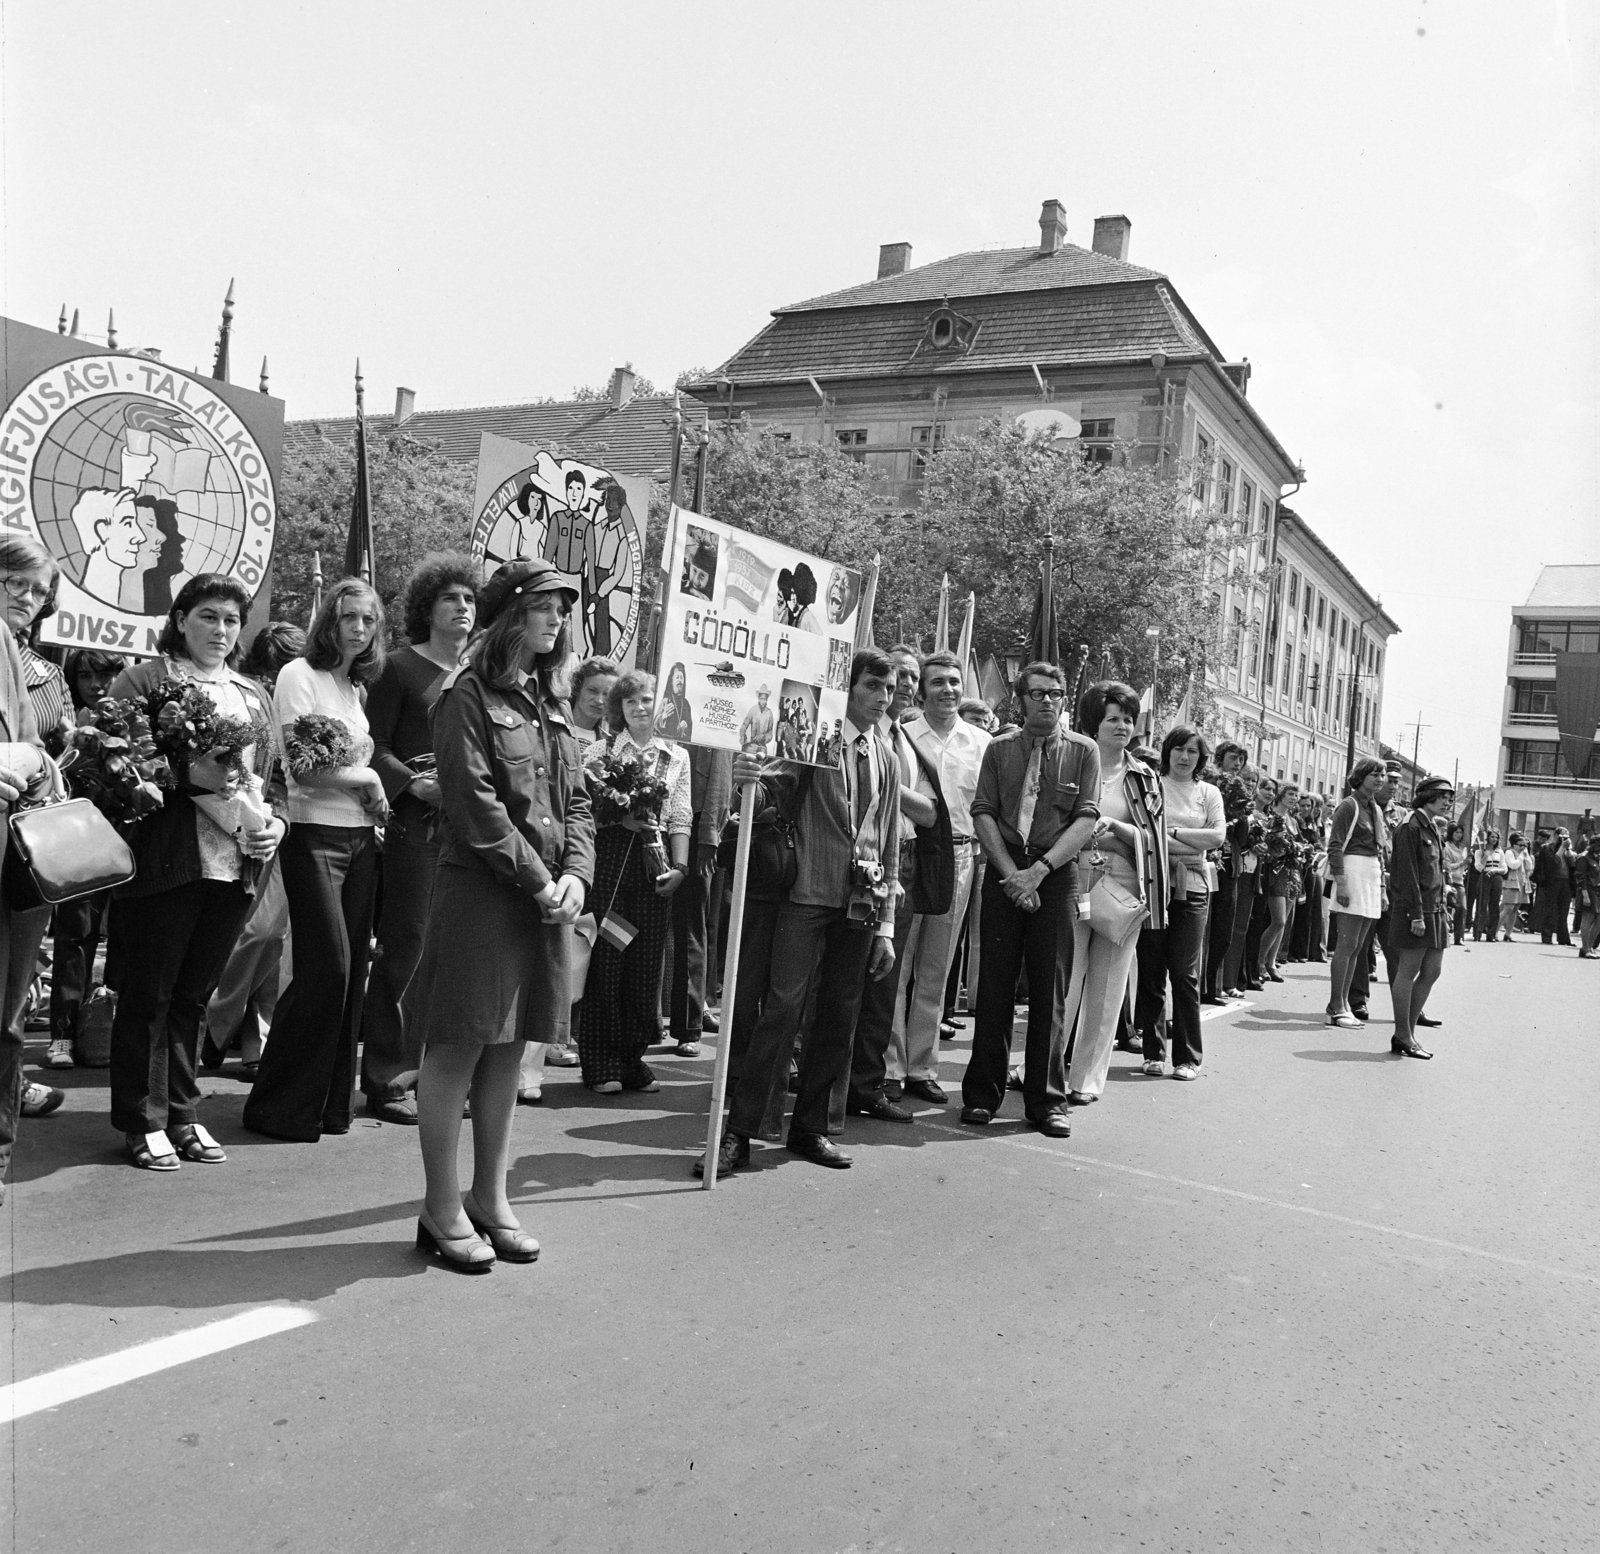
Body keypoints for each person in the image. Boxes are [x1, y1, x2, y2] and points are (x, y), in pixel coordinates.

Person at [409, 558, 592, 1270]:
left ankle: (491, 1196)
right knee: (457, 1047)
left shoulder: (550, 701)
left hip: (540, 901)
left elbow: (577, 802)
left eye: (561, 610)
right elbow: (474, 804)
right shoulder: (466, 696)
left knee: (511, 1051)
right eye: (545, 607)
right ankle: (441, 1205)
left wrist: (576, 874)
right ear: (511, 614)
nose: (557, 620)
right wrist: (543, 879)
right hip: (486, 894)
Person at [699, 649, 902, 1178]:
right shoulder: (817, 739)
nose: (882, 697)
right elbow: (770, 789)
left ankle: (810, 1128)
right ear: (849, 688)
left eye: (889, 688)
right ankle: (738, 1134)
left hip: (861, 902)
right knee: (781, 1012)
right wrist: (748, 776)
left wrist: (887, 924)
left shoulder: (886, 753)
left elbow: (890, 840)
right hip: (806, 894)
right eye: (872, 686)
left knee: (839, 1016)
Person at [105, 575, 285, 1170]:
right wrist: (184, 778)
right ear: (181, 620)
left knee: (193, 996)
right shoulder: (146, 680)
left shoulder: (253, 693)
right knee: (149, 993)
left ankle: (182, 1113)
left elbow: (276, 778)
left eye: (232, 620)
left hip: (237, 865)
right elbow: (114, 764)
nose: (221, 630)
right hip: (166, 860)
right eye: (208, 617)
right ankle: (142, 1119)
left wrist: (276, 824)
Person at [243, 579, 389, 1143]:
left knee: (351, 976)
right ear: (329, 620)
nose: (358, 628)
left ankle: (328, 1107)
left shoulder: (355, 688)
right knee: (326, 968)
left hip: (361, 843)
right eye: (349, 617)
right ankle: (277, 1106)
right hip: (313, 839)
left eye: (369, 621)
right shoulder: (297, 675)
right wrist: (369, 776)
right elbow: (302, 768)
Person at [357, 554, 478, 1125]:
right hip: (414, 830)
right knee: (405, 948)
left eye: (471, 600)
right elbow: (371, 745)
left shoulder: (479, 676)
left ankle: (444, 1078)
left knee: (457, 956)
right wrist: (414, 783)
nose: (463, 607)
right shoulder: (398, 669)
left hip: (470, 836)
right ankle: (385, 1076)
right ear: (426, 607)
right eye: (451, 598)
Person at [959, 661, 1100, 1136]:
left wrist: (1038, 872)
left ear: (1063, 700)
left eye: (1055, 694)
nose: (1046, 701)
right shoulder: (999, 750)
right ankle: (982, 1095)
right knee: (994, 989)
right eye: (1036, 693)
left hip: (1054, 876)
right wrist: (1012, 875)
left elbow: (1085, 819)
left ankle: (1047, 1102)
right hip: (1004, 871)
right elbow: (983, 812)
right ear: (1020, 700)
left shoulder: (1084, 751)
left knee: (1049, 993)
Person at [200, 622, 305, 1077]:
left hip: (307, 826)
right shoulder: (250, 703)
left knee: (279, 941)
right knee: (259, 934)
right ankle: (215, 1021)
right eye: (274, 668)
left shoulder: (322, 693)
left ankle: (256, 1043)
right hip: (251, 822)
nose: (282, 676)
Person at [580, 670, 691, 1093]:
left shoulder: (676, 756)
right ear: (620, 710)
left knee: (645, 967)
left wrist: (679, 869)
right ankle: (600, 1063)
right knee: (609, 962)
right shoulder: (601, 750)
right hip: (612, 868)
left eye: (647, 699)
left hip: (654, 869)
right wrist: (617, 816)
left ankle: (632, 1058)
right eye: (631, 703)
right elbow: (585, 811)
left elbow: (680, 816)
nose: (641, 708)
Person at [844, 645, 941, 1123]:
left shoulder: (905, 742)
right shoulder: (853, 731)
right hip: (847, 859)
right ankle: (822, 1077)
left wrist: (886, 778)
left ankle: (866, 1083)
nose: (900, 687)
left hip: (893, 862)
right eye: (890, 678)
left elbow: (929, 812)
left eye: (907, 678)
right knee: (838, 978)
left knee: (884, 979)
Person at [885, 650, 987, 1106]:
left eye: (954, 682)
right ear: (922, 690)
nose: (948, 689)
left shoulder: (981, 743)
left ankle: (922, 1066)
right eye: (938, 682)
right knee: (897, 963)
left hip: (961, 858)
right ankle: (889, 1064)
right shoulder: (903, 736)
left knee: (936, 968)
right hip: (909, 853)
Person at [0, 541, 68, 1194]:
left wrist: (32, 762)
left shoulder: (36, 667)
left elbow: (43, 752)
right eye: (14, 582)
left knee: (9, 1017)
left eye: (38, 589)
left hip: (21, 851)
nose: (28, 597)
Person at [1056, 683, 1162, 1099]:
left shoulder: (1145, 775)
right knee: (1063, 979)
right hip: (1069, 878)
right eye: (1112, 718)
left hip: (1122, 884)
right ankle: (1042, 1069)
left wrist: (1118, 830)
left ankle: (1085, 1080)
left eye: (1128, 719)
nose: (1122, 726)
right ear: (1093, 723)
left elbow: (1155, 841)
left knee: (1109, 985)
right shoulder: (1072, 761)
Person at [44, 646, 127, 1069]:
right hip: (79, 838)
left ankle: (105, 1028)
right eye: (87, 677)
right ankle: (62, 1034)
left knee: (128, 938)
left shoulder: (135, 720)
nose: (97, 685)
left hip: (129, 835)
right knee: (75, 934)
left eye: (107, 675)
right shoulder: (61, 723)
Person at [1134, 722, 1224, 1083]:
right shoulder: (1152, 787)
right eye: (1179, 749)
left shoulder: (1209, 793)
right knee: (1152, 969)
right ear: (1167, 751)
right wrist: (1191, 841)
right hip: (1154, 884)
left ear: (1201, 757)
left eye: (1192, 751)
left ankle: (1188, 1056)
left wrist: (1170, 833)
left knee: (1185, 973)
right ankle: (1153, 1051)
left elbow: (1216, 837)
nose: (1185, 757)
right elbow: (1143, 834)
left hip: (1194, 889)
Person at [667, 745, 733, 1057]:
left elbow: (719, 775)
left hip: (695, 826)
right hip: (654, 818)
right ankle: (652, 1019)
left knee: (692, 928)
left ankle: (688, 1025)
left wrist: (709, 835)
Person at [1387, 776, 1455, 1059]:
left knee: (1432, 970)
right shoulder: (1410, 827)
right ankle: (1403, 1034)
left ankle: (1407, 1032)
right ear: (1426, 796)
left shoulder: (1432, 826)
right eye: (1442, 796)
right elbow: (1407, 875)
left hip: (1435, 909)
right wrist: (1415, 914)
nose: (1448, 801)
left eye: (1450, 797)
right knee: (1409, 970)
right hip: (1416, 910)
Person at [1325, 759, 1387, 1030]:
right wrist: (1343, 883)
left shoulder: (1374, 807)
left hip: (1371, 875)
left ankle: (1344, 1003)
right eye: (1375, 774)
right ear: (1360, 776)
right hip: (1352, 872)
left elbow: (1380, 850)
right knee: (1346, 945)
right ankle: (1335, 1005)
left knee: (1358, 948)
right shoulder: (1349, 805)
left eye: (1382, 774)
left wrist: (1382, 889)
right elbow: (1335, 846)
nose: (1380, 778)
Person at [1203, 742, 1251, 1001]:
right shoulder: (1210, 785)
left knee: (1223, 932)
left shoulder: (1240, 791)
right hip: (1209, 859)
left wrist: (1243, 815)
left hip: (1230, 865)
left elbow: (1243, 839)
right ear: (1220, 759)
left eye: (1242, 759)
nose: (1238, 763)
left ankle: (1214, 986)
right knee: (1205, 930)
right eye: (1234, 758)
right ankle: (1203, 986)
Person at [1220, 772, 1275, 996]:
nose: (1250, 784)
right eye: (1248, 780)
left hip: (1252, 871)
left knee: (1241, 928)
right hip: (1235, 869)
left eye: (1254, 781)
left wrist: (1262, 847)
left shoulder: (1261, 814)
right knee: (1228, 928)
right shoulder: (1239, 809)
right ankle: (1222, 982)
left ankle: (1232, 981)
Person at [1257, 785, 1303, 982]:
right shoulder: (1272, 816)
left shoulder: (1293, 820)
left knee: (1286, 920)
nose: (1293, 798)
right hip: (1275, 871)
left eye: (1296, 795)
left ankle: (1271, 962)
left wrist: (1301, 849)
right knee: (1279, 920)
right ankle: (1259, 961)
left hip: (1292, 871)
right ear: (1281, 796)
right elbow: (1269, 843)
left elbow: (1299, 842)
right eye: (1290, 794)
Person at [569, 656, 619, 756]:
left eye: (607, 694)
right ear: (577, 689)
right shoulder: (552, 729)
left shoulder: (611, 745)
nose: (599, 700)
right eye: (592, 691)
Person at [1532, 828, 1574, 947]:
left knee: (1564, 910)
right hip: (1551, 881)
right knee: (1550, 909)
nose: (1563, 839)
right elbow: (1554, 861)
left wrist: (1569, 849)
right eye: (1561, 836)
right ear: (1555, 836)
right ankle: (1547, 936)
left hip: (1565, 881)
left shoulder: (1567, 848)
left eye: (1566, 837)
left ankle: (1564, 938)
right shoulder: (1547, 848)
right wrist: (1561, 848)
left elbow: (1572, 864)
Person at [1472, 830, 1507, 942]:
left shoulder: (1499, 852)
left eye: (1496, 837)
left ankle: (1491, 934)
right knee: (1481, 905)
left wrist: (1495, 870)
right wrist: (1485, 856)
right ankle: (1477, 933)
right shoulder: (1479, 851)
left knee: (1494, 906)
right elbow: (1478, 867)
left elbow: (1504, 868)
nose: (1494, 839)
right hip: (1484, 877)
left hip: (1496, 877)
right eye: (1492, 837)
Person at [1499, 832, 1533, 942]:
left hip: (1522, 883)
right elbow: (1513, 865)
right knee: (1508, 908)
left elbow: (1530, 867)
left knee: (1515, 909)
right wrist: (1521, 857)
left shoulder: (1524, 854)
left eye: (1525, 845)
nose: (1523, 847)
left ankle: (1508, 933)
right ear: (1514, 844)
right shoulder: (1509, 852)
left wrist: (1526, 855)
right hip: (1511, 883)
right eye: (1520, 845)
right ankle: (1494, 931)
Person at [1442, 822, 1470, 946]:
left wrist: (1468, 860)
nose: (1459, 835)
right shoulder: (1446, 847)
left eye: (1460, 833)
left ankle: (1459, 936)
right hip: (1448, 880)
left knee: (1462, 908)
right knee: (1446, 907)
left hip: (1459, 881)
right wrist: (1462, 862)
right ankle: (1444, 933)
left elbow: (1465, 865)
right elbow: (1447, 865)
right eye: (1456, 832)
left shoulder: (1463, 848)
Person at [653, 661, 694, 742]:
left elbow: (690, 728)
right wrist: (663, 717)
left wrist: (685, 727)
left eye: (682, 678)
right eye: (677, 677)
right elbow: (654, 726)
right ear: (671, 681)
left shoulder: (686, 704)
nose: (680, 681)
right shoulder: (666, 701)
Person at [1574, 832, 1600, 958]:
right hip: (1588, 891)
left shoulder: (1597, 857)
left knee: (1599, 921)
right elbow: (1580, 877)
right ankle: (1585, 948)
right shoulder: (1584, 857)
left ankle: (1590, 946)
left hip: (1598, 891)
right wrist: (1585, 895)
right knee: (1588, 919)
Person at [739, 685, 775, 755]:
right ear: (758, 698)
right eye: (761, 698)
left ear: (767, 699)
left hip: (762, 747)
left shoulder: (769, 713)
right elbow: (744, 725)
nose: (763, 701)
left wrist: (764, 737)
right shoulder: (753, 710)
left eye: (764, 699)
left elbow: (770, 732)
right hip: (751, 745)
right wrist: (742, 735)